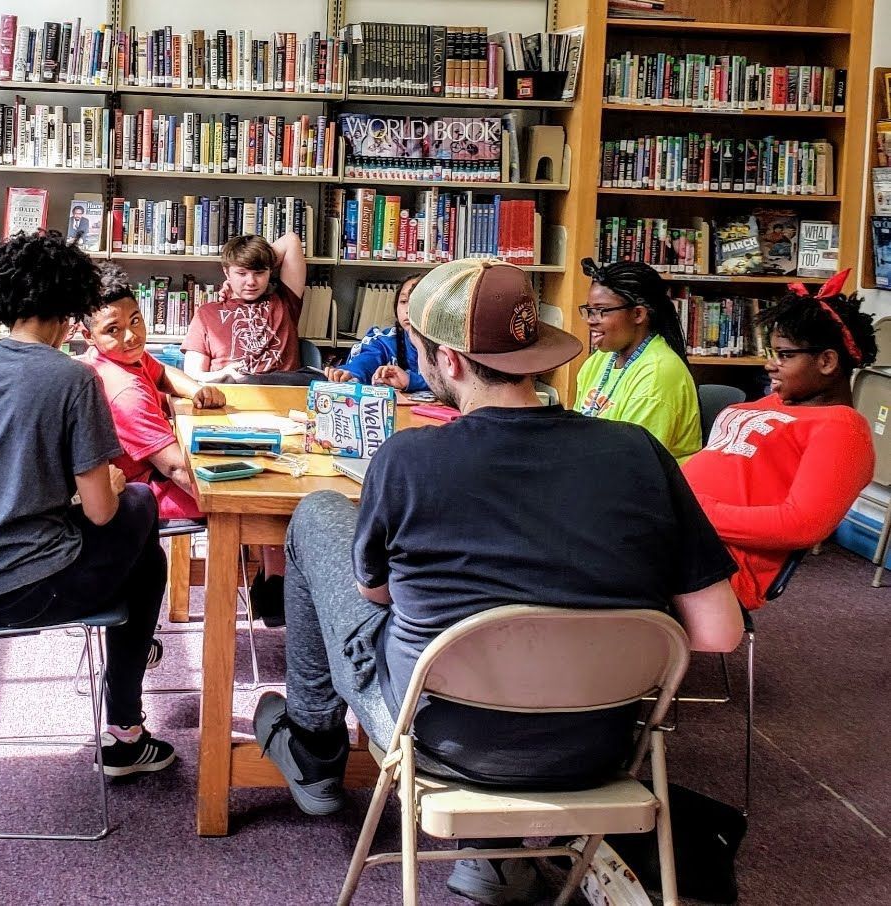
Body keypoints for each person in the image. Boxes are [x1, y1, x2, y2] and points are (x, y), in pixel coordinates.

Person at [252, 258, 744, 905]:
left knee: (318, 514)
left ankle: (314, 746)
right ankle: (506, 860)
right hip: (597, 749)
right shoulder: (637, 453)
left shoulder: (407, 460)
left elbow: (376, 597)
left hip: (442, 743)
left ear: (448, 362)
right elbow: (719, 630)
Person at [0, 231, 176, 778]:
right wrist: (105, 479)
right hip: (27, 590)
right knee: (139, 508)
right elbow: (101, 513)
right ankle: (125, 728)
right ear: (71, 308)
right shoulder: (71, 379)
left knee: (143, 559)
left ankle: (128, 727)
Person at [683, 271, 877, 610]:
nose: (771, 365)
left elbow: (800, 525)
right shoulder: (779, 401)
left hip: (718, 562)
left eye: (784, 355)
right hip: (679, 532)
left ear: (827, 361)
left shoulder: (842, 429)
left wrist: (691, 510)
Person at [79, 263, 226, 520]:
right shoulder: (126, 393)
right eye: (113, 330)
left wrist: (196, 390)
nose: (131, 336)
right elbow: (176, 469)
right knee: (247, 507)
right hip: (144, 490)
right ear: (88, 335)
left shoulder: (114, 356)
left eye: (135, 320)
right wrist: (234, 502)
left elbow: (162, 373)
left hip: (156, 469)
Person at [575, 258, 702, 463]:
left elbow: (631, 462)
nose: (590, 320)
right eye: (589, 310)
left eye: (601, 310)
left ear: (638, 314)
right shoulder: (600, 360)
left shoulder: (658, 374)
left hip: (647, 488)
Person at [181, 232, 313, 385]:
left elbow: (291, 240)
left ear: (270, 271)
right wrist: (223, 374)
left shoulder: (285, 302)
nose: (251, 282)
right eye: (242, 273)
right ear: (226, 272)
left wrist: (259, 259)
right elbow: (193, 374)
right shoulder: (206, 313)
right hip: (231, 391)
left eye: (259, 273)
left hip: (281, 393)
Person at [323, 274, 430, 393]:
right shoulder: (384, 340)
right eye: (404, 301)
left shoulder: (448, 344)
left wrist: (411, 381)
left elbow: (452, 383)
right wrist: (350, 373)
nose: (408, 310)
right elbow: (366, 361)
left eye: (418, 302)